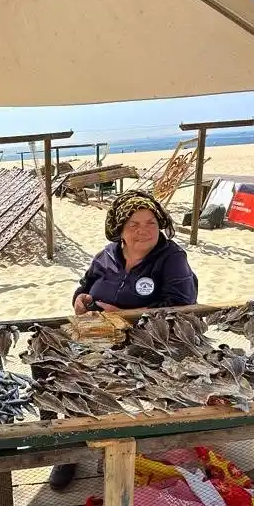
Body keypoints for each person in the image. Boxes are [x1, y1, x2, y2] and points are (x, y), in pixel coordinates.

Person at [48, 190, 198, 490]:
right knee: (52, 368)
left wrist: (128, 315)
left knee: (101, 376)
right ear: (119, 229)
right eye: (133, 224)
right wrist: (80, 301)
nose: (143, 230)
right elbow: (83, 286)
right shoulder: (106, 255)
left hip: (150, 341)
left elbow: (181, 307)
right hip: (100, 334)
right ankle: (66, 449)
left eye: (150, 222)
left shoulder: (171, 259)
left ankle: (117, 446)